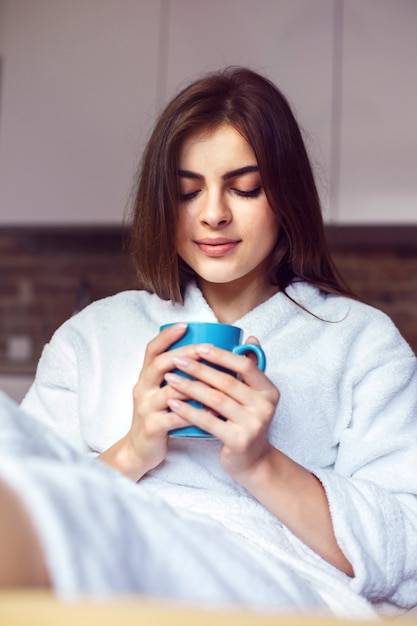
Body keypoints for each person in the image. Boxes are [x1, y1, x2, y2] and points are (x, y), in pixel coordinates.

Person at [0, 66, 416, 617]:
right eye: (186, 192)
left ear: (286, 194)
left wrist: (261, 464)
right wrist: (135, 449)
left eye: (245, 188)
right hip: (103, 552)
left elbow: (407, 551)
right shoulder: (92, 337)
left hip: (265, 579)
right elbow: (29, 483)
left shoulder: (362, 345)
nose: (214, 214)